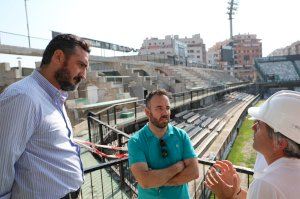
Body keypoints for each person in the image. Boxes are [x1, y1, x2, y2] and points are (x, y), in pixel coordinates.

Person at [0, 34, 90, 199]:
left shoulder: (53, 97)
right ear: (58, 57)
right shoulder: (23, 96)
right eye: (81, 65)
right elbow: (2, 162)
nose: (84, 74)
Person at [204, 90, 300, 199]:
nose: (253, 127)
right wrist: (236, 192)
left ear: (279, 143)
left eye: (259, 125)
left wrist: (224, 196)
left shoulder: (267, 184)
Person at [128, 89, 199, 199]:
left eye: (167, 108)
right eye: (159, 108)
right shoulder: (136, 141)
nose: (165, 113)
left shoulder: (181, 135)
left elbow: (194, 172)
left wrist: (159, 180)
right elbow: (145, 181)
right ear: (147, 112)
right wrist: (178, 167)